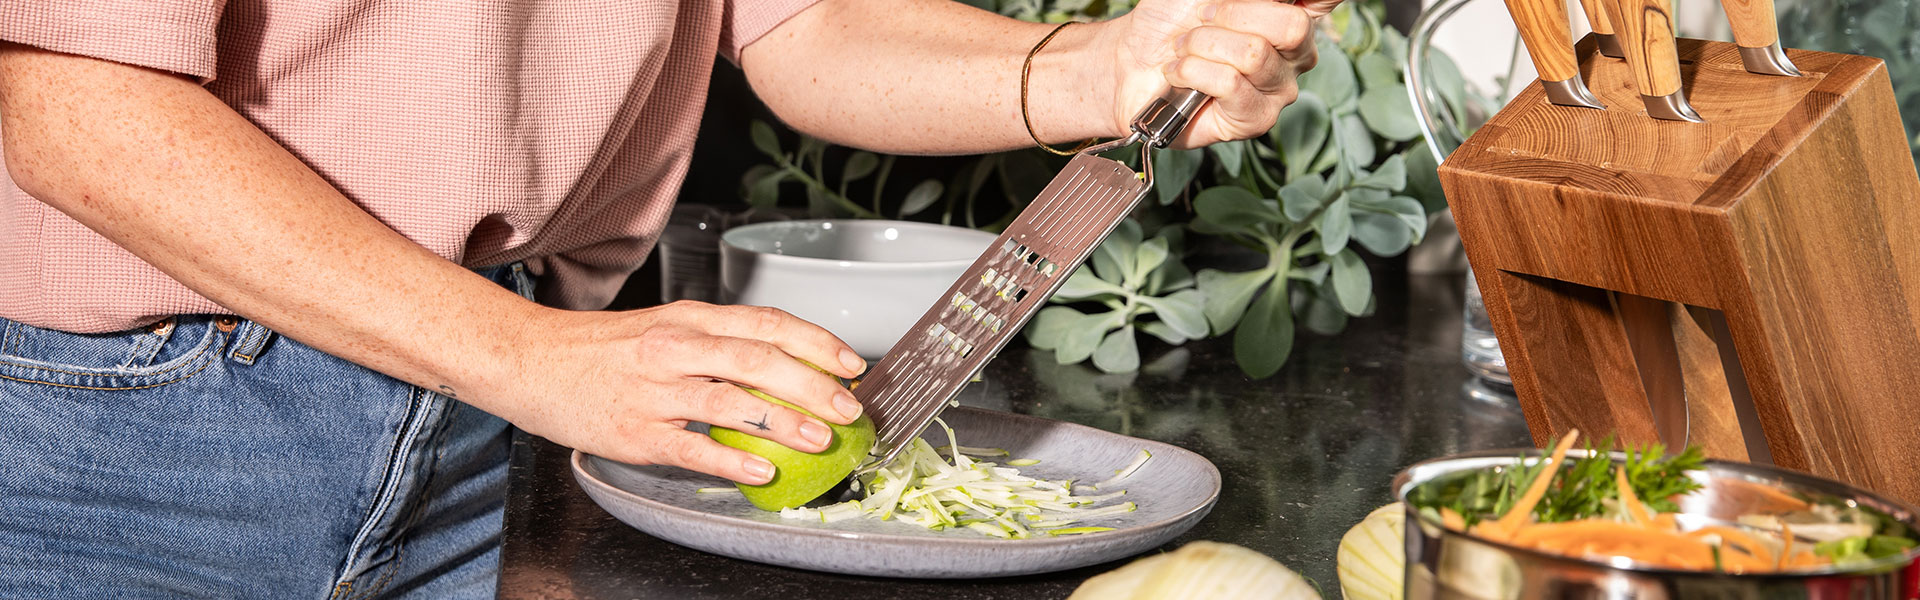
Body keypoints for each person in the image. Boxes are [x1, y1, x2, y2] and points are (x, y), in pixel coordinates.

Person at [0, 0, 1333, 596]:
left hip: (485, 424)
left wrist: (1105, 66)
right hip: (128, 438)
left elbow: (801, 27)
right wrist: (525, 354)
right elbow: (70, 103)